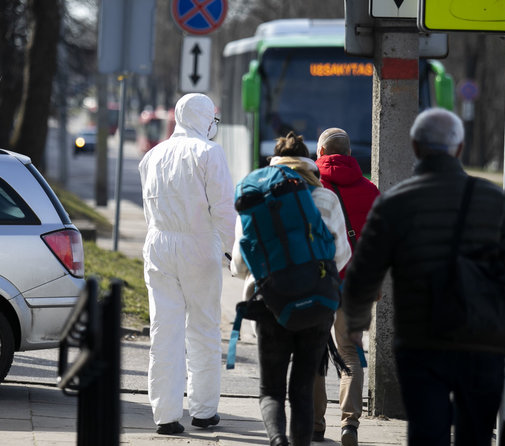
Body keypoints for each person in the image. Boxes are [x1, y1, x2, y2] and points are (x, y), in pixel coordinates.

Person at [341, 108, 505, 446]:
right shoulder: (492, 200)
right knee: (476, 436)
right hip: (484, 344)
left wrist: (354, 333)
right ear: (460, 149)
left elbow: (362, 276)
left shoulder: (394, 204)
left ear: (415, 148)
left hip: (422, 343)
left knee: (427, 434)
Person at [231, 131, 351, 446]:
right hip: (317, 304)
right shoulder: (325, 196)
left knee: (271, 389)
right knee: (302, 387)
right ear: (309, 160)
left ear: (275, 160)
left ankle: (276, 440)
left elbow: (241, 262)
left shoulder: (258, 194)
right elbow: (342, 254)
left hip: (271, 302)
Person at [139, 93, 237, 435]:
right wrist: (231, 251)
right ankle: (204, 411)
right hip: (198, 244)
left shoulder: (152, 155)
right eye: (212, 118)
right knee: (204, 329)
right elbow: (224, 207)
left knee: (164, 331)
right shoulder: (209, 153)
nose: (214, 125)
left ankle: (165, 415)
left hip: (158, 243)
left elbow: (148, 206)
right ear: (204, 118)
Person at [312, 128, 380, 445]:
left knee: (314, 353)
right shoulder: (370, 191)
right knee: (350, 353)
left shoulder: (312, 187)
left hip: (319, 283)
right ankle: (349, 424)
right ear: (349, 153)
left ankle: (314, 423)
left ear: (322, 152)